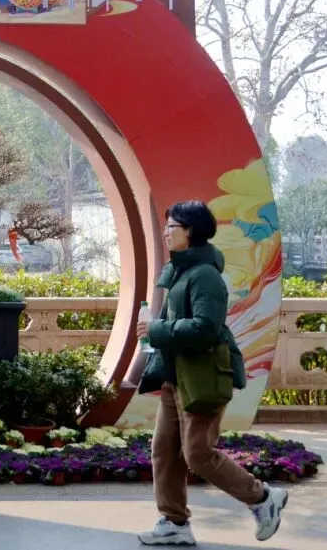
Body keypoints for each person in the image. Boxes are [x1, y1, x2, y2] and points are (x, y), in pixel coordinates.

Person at [135, 201, 288, 546]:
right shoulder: (181, 271)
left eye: (172, 227)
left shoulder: (204, 276)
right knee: (165, 452)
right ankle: (174, 522)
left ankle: (263, 498)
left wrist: (156, 329)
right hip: (177, 376)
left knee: (197, 454)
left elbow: (206, 327)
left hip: (202, 378)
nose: (166, 232)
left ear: (190, 231)